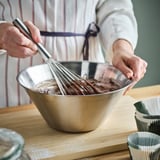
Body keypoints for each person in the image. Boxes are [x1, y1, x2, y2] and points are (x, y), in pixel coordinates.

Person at [0, 0, 147, 107]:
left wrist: (121, 48)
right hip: (15, 81)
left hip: (89, 74)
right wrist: (2, 34)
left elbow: (115, 8)